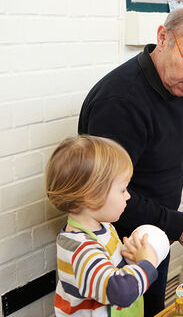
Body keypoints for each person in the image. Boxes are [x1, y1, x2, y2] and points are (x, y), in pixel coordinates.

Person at [77, 5, 183, 316]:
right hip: (115, 250)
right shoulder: (120, 103)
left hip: (155, 236)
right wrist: (177, 224)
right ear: (163, 38)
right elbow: (102, 195)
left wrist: (171, 226)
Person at [47, 135, 159, 316]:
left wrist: (131, 258)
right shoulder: (81, 250)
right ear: (92, 197)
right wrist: (148, 263)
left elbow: (109, 270)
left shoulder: (103, 227)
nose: (128, 196)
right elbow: (121, 292)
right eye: (122, 189)